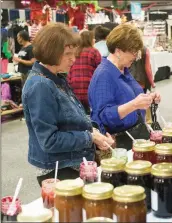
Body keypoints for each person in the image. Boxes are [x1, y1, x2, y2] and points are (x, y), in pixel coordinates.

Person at [22, 23, 114, 186]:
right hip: (60, 169)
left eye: (73, 53)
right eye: (67, 54)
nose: (73, 59)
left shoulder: (55, 78)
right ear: (51, 52)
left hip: (70, 163)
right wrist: (90, 137)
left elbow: (70, 119)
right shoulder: (41, 86)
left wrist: (94, 133)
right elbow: (50, 140)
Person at [88, 23, 161, 150]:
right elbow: (104, 116)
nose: (136, 56)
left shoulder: (123, 69)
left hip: (134, 136)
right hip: (119, 144)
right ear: (118, 51)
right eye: (133, 51)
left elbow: (128, 97)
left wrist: (148, 98)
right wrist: (134, 104)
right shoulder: (104, 74)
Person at [68, 30, 101, 114]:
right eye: (93, 38)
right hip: (89, 85)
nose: (94, 40)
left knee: (79, 111)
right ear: (90, 40)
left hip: (74, 84)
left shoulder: (75, 52)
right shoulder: (94, 52)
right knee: (91, 112)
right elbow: (100, 70)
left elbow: (69, 68)